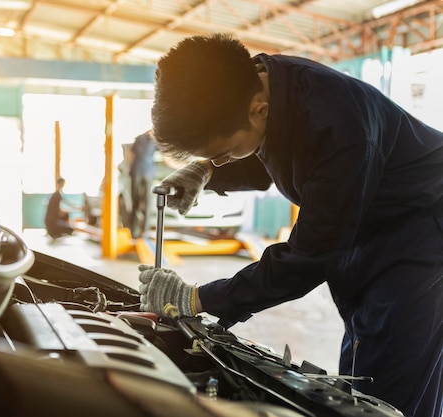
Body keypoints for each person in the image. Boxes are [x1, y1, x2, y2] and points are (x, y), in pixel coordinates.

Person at [138, 33, 443, 417]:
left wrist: (198, 298)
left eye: (223, 154)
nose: (224, 160)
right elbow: (272, 146)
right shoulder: (263, 83)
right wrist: (207, 172)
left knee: (392, 390)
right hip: (366, 223)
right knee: (360, 375)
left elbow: (308, 257)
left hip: (420, 231)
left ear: (258, 110)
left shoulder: (339, 128)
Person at [128, 129, 157, 238]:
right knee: (135, 201)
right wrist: (129, 167)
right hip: (137, 172)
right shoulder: (139, 139)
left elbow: (165, 153)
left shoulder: (155, 141)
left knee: (147, 201)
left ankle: (144, 231)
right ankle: (133, 230)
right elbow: (131, 154)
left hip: (148, 173)